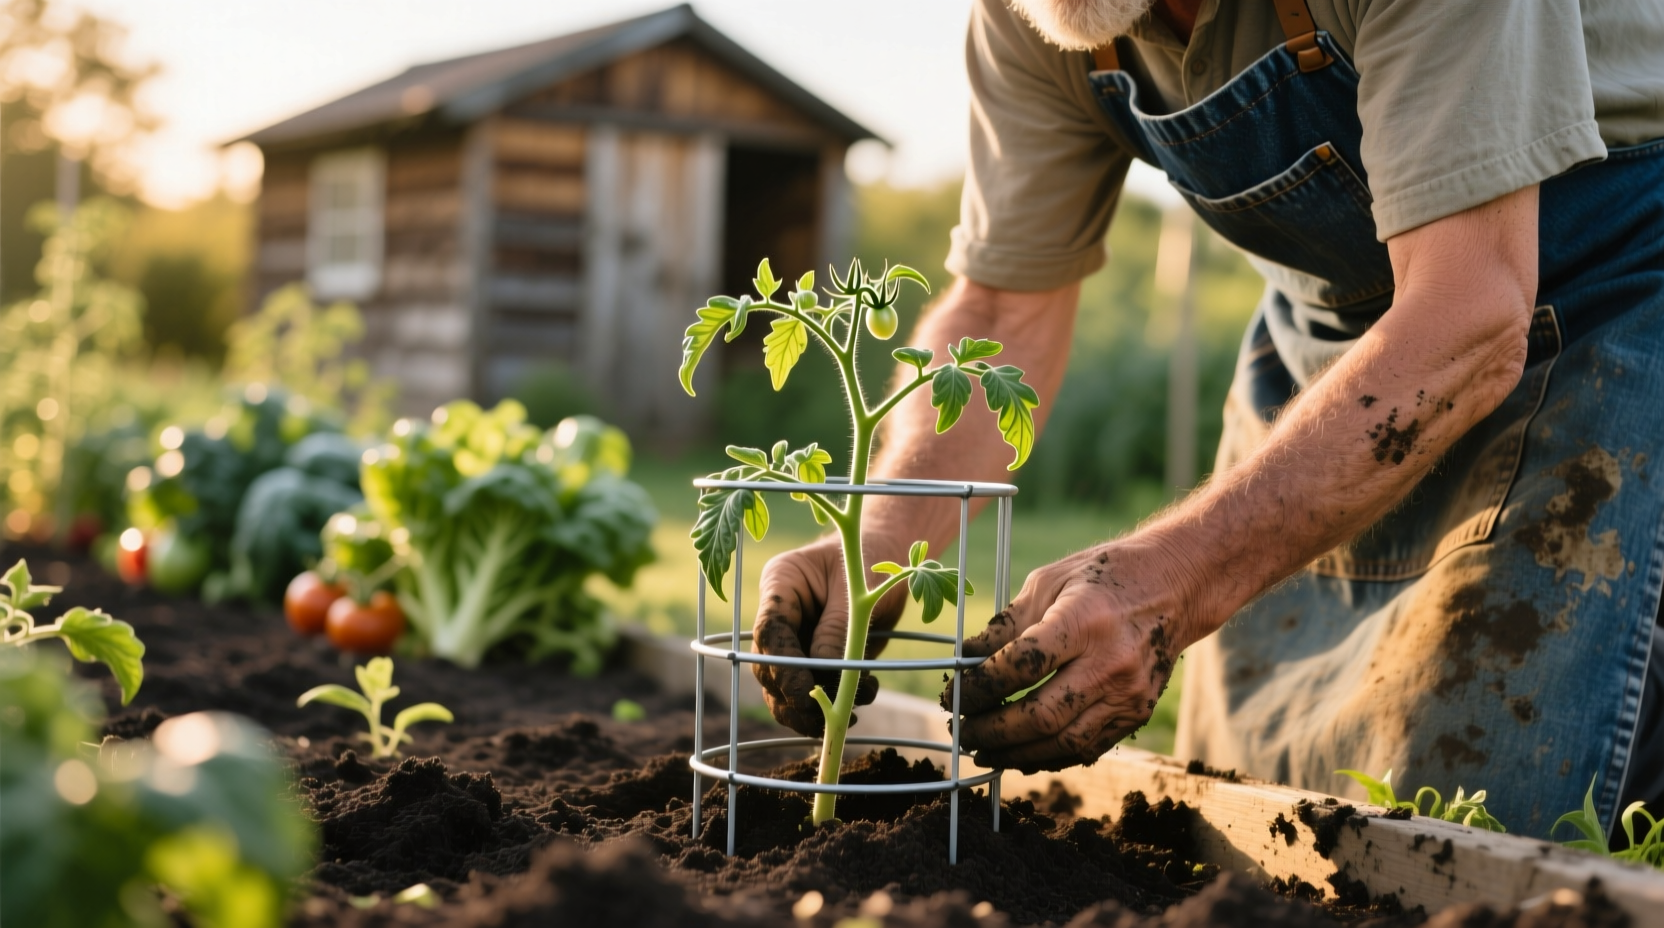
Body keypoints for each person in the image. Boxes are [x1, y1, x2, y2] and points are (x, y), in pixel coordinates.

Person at [749, 0, 1664, 840]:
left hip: (1611, 289)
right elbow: (999, 312)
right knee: (1242, 816)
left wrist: (1177, 573)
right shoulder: (1036, 16)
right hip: (1341, 346)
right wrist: (885, 527)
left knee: (1479, 818)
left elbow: (1469, 310)